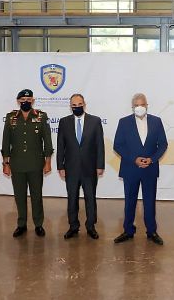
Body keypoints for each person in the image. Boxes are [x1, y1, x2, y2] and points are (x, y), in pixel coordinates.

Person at [113, 93, 168, 245]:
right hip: (130, 169)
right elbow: (118, 145)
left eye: (142, 104)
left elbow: (163, 144)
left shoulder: (156, 121)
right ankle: (128, 230)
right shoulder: (124, 122)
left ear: (147, 106)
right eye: (136, 105)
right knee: (129, 201)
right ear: (132, 107)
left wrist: (152, 159)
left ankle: (152, 231)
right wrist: (134, 159)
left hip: (150, 169)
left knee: (149, 202)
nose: (140, 107)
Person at [2, 89, 53, 238]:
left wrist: (48, 161)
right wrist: (6, 163)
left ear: (33, 101)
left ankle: (38, 224)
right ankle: (21, 224)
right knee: (20, 196)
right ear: (18, 101)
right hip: (17, 164)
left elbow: (47, 140)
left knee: (37, 196)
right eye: (23, 100)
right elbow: (6, 141)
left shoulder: (41, 116)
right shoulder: (11, 117)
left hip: (36, 163)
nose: (26, 102)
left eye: (29, 100)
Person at [57, 94, 105, 240]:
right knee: (72, 198)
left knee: (90, 198)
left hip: (90, 168)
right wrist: (60, 166)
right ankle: (73, 226)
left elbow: (100, 144)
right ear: (70, 106)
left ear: (84, 104)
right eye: (74, 105)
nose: (77, 107)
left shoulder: (95, 121)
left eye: (79, 104)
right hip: (71, 168)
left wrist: (100, 165)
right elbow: (60, 145)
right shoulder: (64, 122)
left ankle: (91, 226)